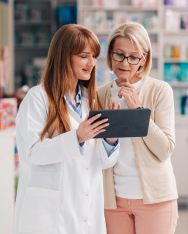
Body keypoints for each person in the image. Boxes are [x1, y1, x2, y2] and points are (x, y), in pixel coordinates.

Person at [14, 24, 121, 234]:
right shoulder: (37, 98)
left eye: (94, 56)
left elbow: (99, 161)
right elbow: (33, 152)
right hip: (50, 211)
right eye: (84, 56)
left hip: (85, 207)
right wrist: (77, 137)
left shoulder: (90, 101)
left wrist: (110, 140)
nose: (91, 63)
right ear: (64, 57)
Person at [97, 22, 178, 234]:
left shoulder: (160, 90)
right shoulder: (99, 94)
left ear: (144, 59)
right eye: (119, 54)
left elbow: (165, 150)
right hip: (112, 201)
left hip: (155, 199)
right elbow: (95, 151)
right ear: (110, 55)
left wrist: (137, 109)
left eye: (134, 57)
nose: (125, 63)